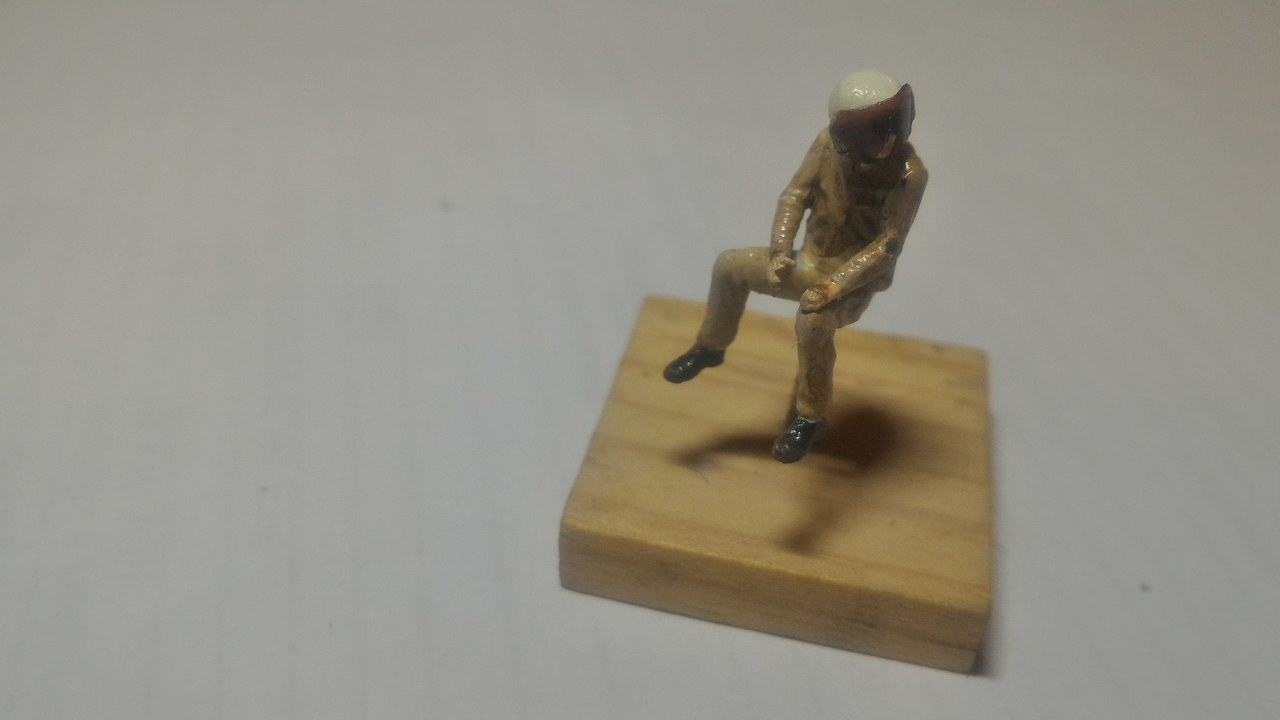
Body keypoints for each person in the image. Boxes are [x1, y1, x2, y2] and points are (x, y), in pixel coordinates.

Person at [663, 70, 928, 463]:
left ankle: (810, 416)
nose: (886, 141)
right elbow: (795, 196)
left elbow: (887, 246)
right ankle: (710, 346)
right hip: (808, 261)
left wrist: (834, 287)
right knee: (730, 266)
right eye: (870, 131)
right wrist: (780, 250)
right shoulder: (826, 146)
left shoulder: (910, 175)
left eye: (891, 125)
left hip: (853, 283)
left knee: (813, 321)